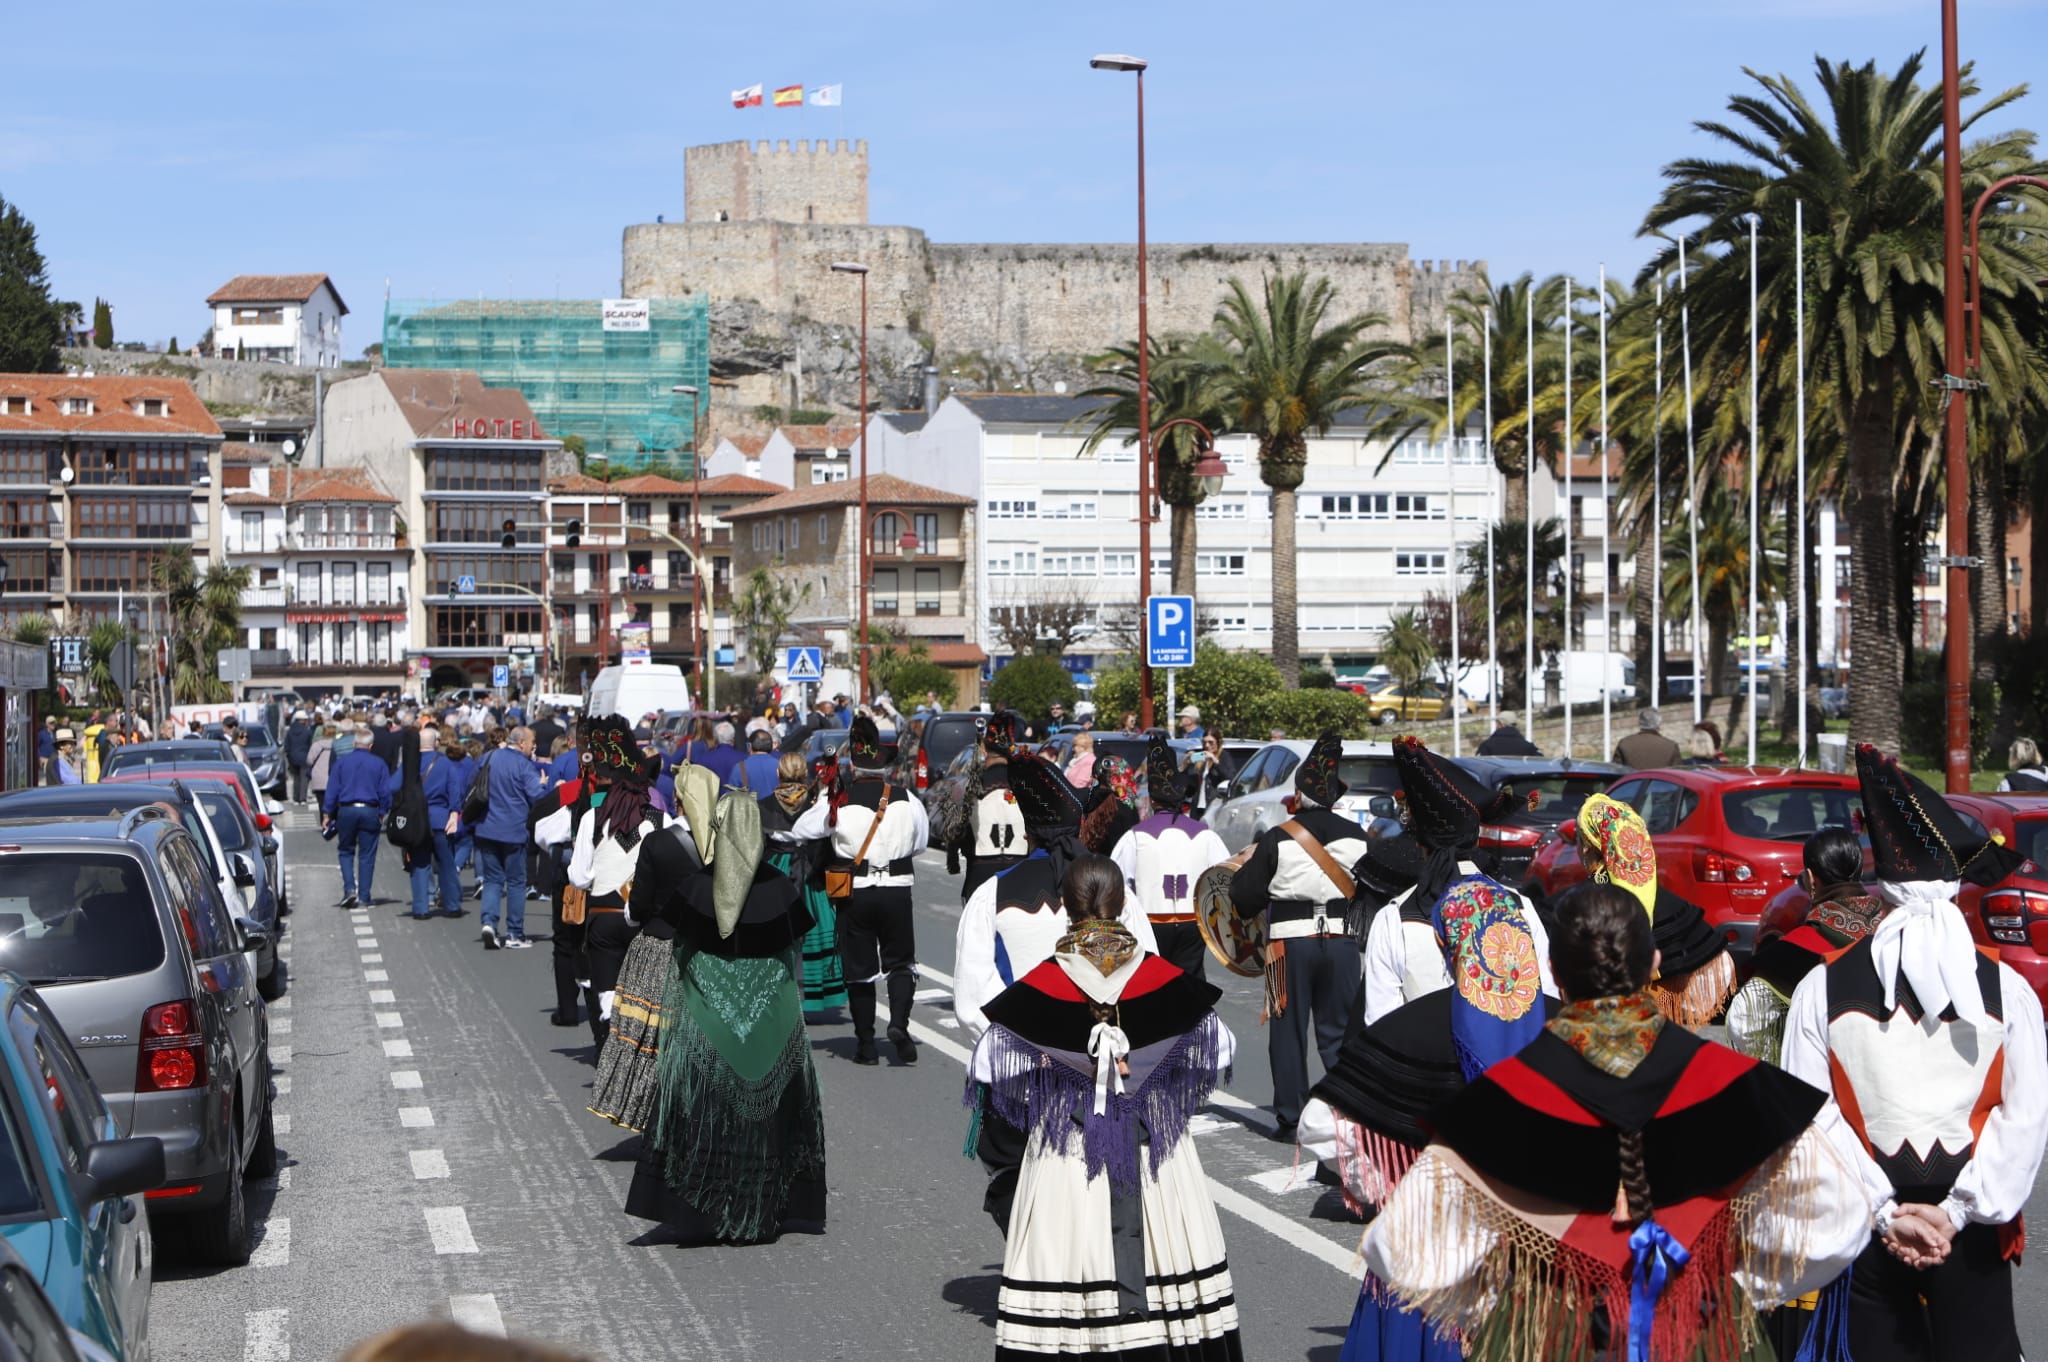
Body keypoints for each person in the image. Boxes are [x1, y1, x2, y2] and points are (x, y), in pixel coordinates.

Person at [1361, 883, 1873, 1362]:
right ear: (1653, 963)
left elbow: (1401, 1250)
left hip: (1554, 1335)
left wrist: (1499, 1300)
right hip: (1700, 1329)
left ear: (1554, 973)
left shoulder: (1501, 1099)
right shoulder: (1740, 1084)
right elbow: (1841, 1216)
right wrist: (1734, 1278)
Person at [1780, 744, 2048, 1362]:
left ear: (1882, 881)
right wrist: (1956, 1213)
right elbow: (2025, 1119)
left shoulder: (1822, 988)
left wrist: (1883, 1211)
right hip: (1972, 1239)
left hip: (1867, 1233)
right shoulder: (2008, 991)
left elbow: (1809, 1121)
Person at [969, 854, 1243, 1359]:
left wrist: (1051, 1076)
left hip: (1067, 1152)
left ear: (1068, 912)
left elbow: (990, 1063)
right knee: (1175, 1278)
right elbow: (1220, 1048)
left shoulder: (1040, 986)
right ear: (1121, 905)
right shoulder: (1161, 978)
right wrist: (1153, 1074)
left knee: (1065, 1273)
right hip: (1154, 1153)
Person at [624, 760, 827, 1243]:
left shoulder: (694, 888)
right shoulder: (780, 889)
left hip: (705, 1022)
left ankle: (702, 1211)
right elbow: (794, 945)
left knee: (704, 1115)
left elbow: (674, 943)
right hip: (772, 1022)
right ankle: (766, 1208)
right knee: (770, 1117)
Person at [954, 750, 1158, 1040]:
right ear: (1080, 826)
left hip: (1020, 1062)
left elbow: (971, 1000)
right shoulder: (1116, 888)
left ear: (1028, 832)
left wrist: (1022, 1047)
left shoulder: (991, 894)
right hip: (1098, 1061)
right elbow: (1146, 974)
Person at [1228, 731, 1370, 1138]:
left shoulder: (1277, 837)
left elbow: (1244, 895)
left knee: (1286, 1030)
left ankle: (1291, 1116)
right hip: (1343, 943)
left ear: (1300, 795)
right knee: (1340, 1032)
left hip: (1286, 947)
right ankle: (1347, 1111)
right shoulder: (1359, 837)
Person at [1360, 736, 1554, 1025]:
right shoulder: (1521, 907)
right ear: (1475, 839)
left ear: (1420, 843)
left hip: (1422, 1065)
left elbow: (1380, 1022)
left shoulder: (1394, 919)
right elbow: (1547, 1000)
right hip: (1505, 1067)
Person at [790, 714, 930, 1065]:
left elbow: (800, 830)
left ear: (853, 762)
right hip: (897, 890)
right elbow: (921, 843)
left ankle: (866, 1044)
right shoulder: (908, 799)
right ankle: (898, 1024)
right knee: (901, 963)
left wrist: (827, 801)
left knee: (860, 969)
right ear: (884, 765)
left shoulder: (840, 800)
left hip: (857, 892)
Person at [1571, 792, 1738, 1027]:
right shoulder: (1668, 903)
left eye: (1577, 839)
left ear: (1587, 848)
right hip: (1663, 1042)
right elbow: (1720, 969)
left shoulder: (1580, 903)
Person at [1727, 826, 1884, 1062]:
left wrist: (1782, 1056)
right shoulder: (1895, 930)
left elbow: (1742, 1022)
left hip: (1828, 1079)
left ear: (1810, 878)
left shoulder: (1793, 951)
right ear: (1860, 870)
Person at [578, 726, 669, 1109]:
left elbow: (578, 877)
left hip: (602, 918)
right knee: (646, 999)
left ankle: (612, 1066)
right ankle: (643, 1069)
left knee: (607, 997)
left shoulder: (592, 818)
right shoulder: (660, 821)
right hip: (644, 919)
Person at [1111, 736, 1230, 981]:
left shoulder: (1135, 837)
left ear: (1152, 801)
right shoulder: (1205, 835)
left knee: (1153, 984)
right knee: (1192, 984)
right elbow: (1225, 875)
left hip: (1150, 924)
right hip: (1193, 924)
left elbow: (1118, 882)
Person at [759, 751, 844, 1017]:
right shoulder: (816, 805)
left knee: (774, 933)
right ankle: (809, 990)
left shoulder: (763, 805)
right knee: (812, 932)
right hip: (808, 871)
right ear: (804, 774)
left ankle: (775, 992)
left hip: (776, 870)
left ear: (778, 774)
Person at [941, 713, 1029, 902]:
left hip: (980, 881)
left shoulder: (967, 787)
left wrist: (955, 859)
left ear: (983, 749)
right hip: (1021, 880)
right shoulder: (1029, 787)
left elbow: (954, 833)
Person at [470, 725, 543, 950]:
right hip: (513, 830)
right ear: (521, 743)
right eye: (531, 742)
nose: (533, 747)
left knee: (492, 879)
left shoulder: (488, 757)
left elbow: (471, 784)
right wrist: (545, 786)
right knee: (515, 882)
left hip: (486, 827)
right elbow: (537, 797)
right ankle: (514, 932)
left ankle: (489, 923)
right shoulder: (523, 765)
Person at [323, 725, 393, 909]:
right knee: (367, 855)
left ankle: (349, 889)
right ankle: (364, 896)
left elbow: (332, 790)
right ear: (371, 745)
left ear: (354, 743)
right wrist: (382, 812)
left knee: (346, 851)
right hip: (370, 809)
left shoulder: (342, 763)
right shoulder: (379, 764)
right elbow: (385, 792)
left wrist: (327, 813)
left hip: (346, 810)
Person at [418, 727, 466, 918]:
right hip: (440, 818)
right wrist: (454, 814)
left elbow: (393, 786)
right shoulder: (445, 763)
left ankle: (421, 907)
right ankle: (452, 905)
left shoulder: (411, 763)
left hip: (417, 818)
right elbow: (455, 790)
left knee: (420, 864)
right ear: (436, 742)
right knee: (446, 864)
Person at [1611, 704, 1682, 769]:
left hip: (1633, 782)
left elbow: (1615, 771)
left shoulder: (1625, 744)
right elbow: (1678, 774)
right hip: (1660, 782)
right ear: (1659, 724)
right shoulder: (1671, 746)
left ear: (1639, 723)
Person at [1184, 732, 1230, 814]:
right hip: (1199, 807)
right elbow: (1190, 787)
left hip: (1215, 807)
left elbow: (1229, 777)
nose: (1207, 745)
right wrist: (1185, 764)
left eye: (1211, 742)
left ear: (1218, 742)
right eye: (1204, 742)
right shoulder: (1202, 759)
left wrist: (1215, 760)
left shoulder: (1224, 756)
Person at [725, 729, 781, 795]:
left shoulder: (740, 768)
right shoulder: (780, 765)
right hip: (775, 804)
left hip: (749, 804)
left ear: (750, 746)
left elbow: (731, 797)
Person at [284, 710, 315, 804]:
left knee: (296, 778)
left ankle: (296, 798)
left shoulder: (290, 731)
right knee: (304, 778)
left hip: (293, 757)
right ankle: (302, 798)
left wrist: (289, 756)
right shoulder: (307, 731)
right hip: (304, 756)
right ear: (304, 720)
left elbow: (286, 746)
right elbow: (311, 745)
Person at [1474, 718, 1540, 756]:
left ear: (1501, 724)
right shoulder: (1528, 746)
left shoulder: (1487, 745)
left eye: (1497, 723)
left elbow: (1478, 765)